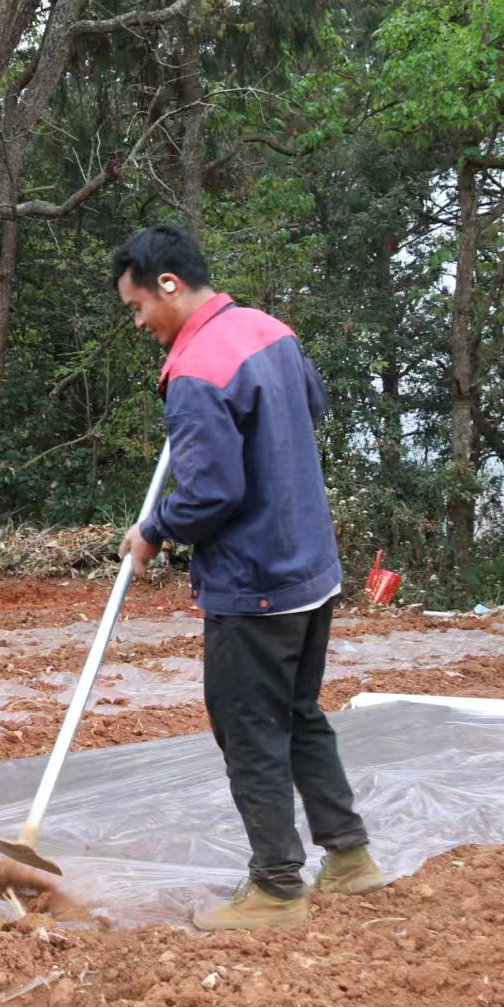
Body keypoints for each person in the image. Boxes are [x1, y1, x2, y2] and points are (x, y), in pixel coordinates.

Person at [111, 225, 387, 930]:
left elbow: (210, 494)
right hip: (311, 568)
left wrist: (153, 531)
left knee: (250, 728)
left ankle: (275, 886)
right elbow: (307, 416)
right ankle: (350, 859)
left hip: (256, 582)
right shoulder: (272, 332)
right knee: (298, 715)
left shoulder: (196, 370)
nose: (140, 323)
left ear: (166, 284)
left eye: (138, 307)